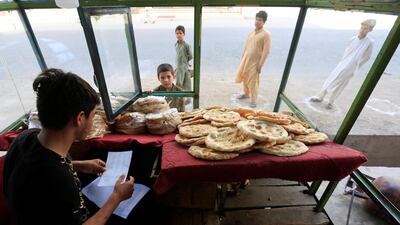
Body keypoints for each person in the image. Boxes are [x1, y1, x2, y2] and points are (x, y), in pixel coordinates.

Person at [3, 68, 134, 225]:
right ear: (80, 118)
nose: (93, 120)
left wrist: (78, 165)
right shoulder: (59, 181)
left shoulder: (25, 138)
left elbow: (38, 166)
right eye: (93, 115)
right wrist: (116, 197)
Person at [310, 19, 376, 109]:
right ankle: (320, 97)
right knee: (331, 79)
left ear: (370, 30)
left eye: (365, 28)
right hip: (342, 65)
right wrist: (344, 62)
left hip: (352, 68)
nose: (362, 30)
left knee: (342, 84)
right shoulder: (352, 39)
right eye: (362, 27)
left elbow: (367, 57)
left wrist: (356, 64)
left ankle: (331, 102)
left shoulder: (369, 42)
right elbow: (346, 52)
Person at [235, 10, 272, 108]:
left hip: (255, 63)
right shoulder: (252, 33)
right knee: (245, 78)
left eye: (260, 20)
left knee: (253, 81)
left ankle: (253, 100)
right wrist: (243, 58)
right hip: (246, 60)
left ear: (264, 22)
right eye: (256, 19)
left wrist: (260, 64)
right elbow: (246, 46)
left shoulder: (266, 35)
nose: (257, 21)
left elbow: (266, 51)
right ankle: (246, 94)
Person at [175, 25, 193, 91]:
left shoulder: (186, 45)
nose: (178, 35)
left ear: (184, 34)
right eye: (177, 33)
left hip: (183, 66)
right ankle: (180, 98)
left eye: (180, 33)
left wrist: (185, 62)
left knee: (180, 83)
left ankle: (182, 97)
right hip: (178, 65)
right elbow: (178, 55)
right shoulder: (176, 44)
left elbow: (190, 56)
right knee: (180, 82)